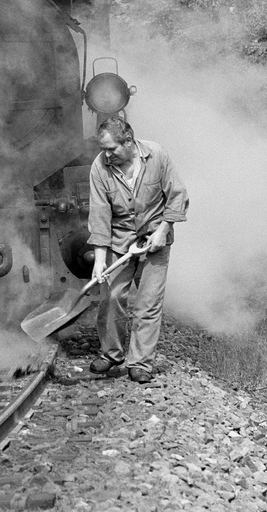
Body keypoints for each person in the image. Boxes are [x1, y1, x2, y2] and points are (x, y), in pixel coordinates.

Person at [86, 116, 188, 384]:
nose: (106, 154)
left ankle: (140, 362)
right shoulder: (99, 167)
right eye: (103, 149)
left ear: (129, 141)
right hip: (120, 241)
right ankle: (111, 354)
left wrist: (162, 232)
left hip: (155, 238)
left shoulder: (157, 156)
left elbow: (177, 196)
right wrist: (99, 260)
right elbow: (99, 215)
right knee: (111, 296)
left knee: (148, 303)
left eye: (112, 149)